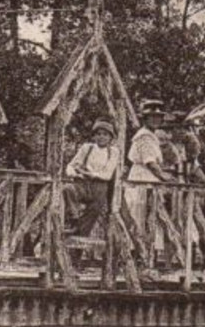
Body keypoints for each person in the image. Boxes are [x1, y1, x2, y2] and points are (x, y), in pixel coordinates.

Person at [64, 118, 120, 238]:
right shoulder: (87, 148)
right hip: (83, 183)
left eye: (105, 134)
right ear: (94, 136)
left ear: (110, 137)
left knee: (93, 212)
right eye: (98, 134)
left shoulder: (114, 152)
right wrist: (74, 173)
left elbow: (107, 174)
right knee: (68, 189)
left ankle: (78, 241)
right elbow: (71, 165)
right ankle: (74, 218)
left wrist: (91, 174)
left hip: (100, 187)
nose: (101, 137)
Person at [125, 100, 170, 240]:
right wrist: (164, 177)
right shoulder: (144, 136)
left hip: (147, 176)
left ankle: (145, 247)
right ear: (145, 118)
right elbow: (150, 162)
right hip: (142, 176)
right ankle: (137, 248)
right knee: (139, 210)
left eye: (158, 117)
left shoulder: (151, 136)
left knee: (149, 212)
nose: (156, 119)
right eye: (152, 116)